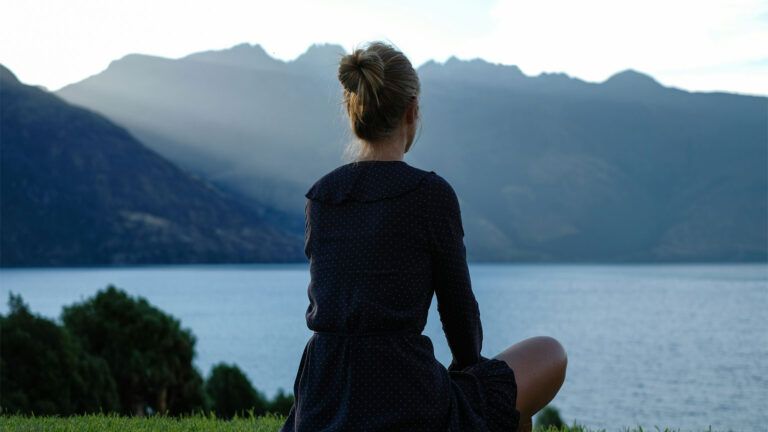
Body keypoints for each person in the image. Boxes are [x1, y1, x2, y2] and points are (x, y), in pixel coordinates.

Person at [280, 41, 567, 432]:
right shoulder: (428, 195)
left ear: (354, 111)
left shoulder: (323, 196)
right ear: (412, 110)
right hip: (404, 397)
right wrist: (471, 378)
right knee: (548, 354)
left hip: (322, 402)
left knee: (500, 401)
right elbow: (459, 314)